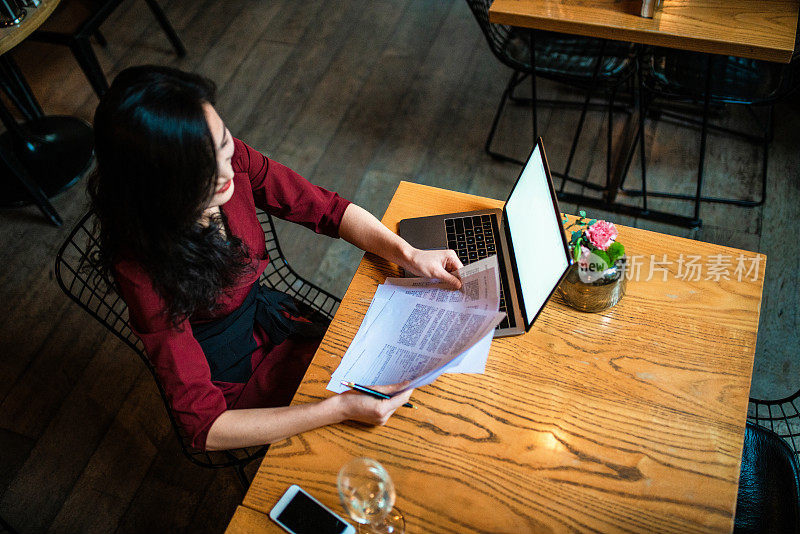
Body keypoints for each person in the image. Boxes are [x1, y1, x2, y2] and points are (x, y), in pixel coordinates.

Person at [88, 66, 462, 451]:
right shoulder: (139, 268)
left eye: (221, 143)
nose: (224, 170)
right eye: (199, 170)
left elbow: (326, 209)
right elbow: (206, 428)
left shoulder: (233, 164)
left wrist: (409, 253)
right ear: (159, 190)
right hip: (232, 376)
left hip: (274, 320)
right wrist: (339, 409)